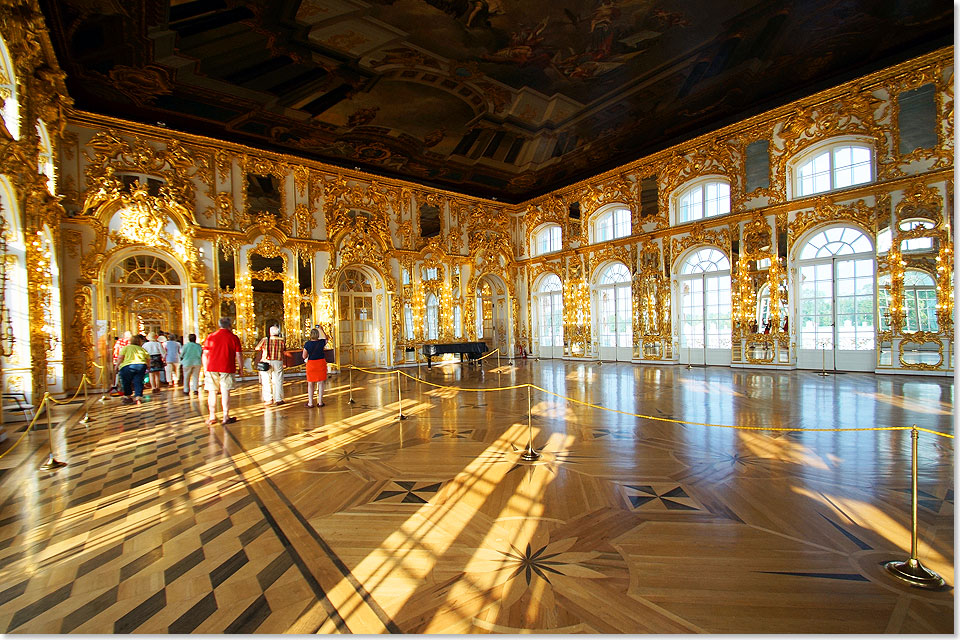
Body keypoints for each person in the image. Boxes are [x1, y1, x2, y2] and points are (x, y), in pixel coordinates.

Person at [202, 317, 243, 425]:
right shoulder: (233, 337)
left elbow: (205, 354)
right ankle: (226, 416)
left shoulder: (210, 336)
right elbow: (238, 355)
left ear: (219, 325)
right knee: (225, 391)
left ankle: (212, 416)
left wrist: (205, 368)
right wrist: (241, 368)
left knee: (212, 392)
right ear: (230, 326)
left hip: (211, 367)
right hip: (227, 367)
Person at [255, 325, 286, 406]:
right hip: (278, 361)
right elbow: (284, 350)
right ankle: (278, 399)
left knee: (266, 380)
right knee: (278, 380)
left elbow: (257, 348)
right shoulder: (281, 340)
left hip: (266, 361)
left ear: (270, 332)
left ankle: (268, 399)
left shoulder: (265, 340)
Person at [117, 334, 149, 404]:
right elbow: (148, 359)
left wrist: (117, 365)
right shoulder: (142, 349)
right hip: (140, 365)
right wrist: (148, 366)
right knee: (138, 381)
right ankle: (138, 397)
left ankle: (127, 396)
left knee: (126, 382)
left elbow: (120, 357)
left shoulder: (126, 348)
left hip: (127, 366)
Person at [302, 327, 328, 407]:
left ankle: (310, 403)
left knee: (310, 383)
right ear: (318, 335)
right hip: (321, 363)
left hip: (311, 364)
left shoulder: (307, 344)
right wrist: (321, 329)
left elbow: (304, 356)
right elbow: (326, 338)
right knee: (320, 383)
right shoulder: (321, 342)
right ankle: (320, 402)